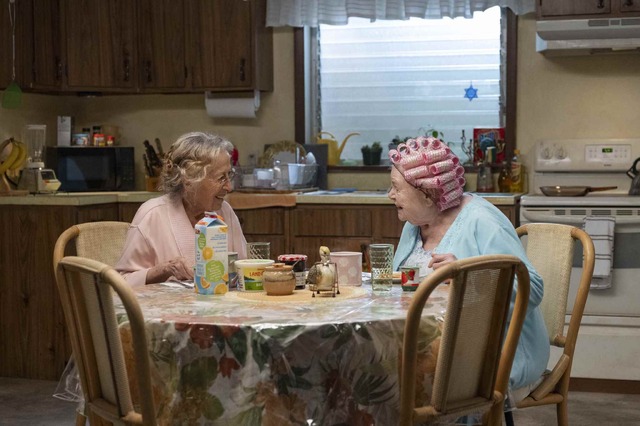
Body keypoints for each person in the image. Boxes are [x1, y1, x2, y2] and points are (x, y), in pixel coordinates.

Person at [387, 136, 549, 405]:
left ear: (427, 194)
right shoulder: (414, 223)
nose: (390, 195)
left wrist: (470, 276)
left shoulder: (482, 220)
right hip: (431, 340)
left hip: (496, 350)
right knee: (370, 362)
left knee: (400, 376)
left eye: (396, 188)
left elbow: (531, 287)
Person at [116, 131, 247, 286]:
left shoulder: (224, 211)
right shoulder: (153, 214)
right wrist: (164, 270)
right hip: (165, 302)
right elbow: (120, 283)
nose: (229, 187)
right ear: (189, 179)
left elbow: (243, 269)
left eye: (229, 175)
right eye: (221, 178)